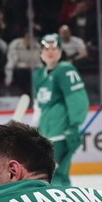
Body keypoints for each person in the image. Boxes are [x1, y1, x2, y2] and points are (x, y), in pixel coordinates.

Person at [32, 33, 88, 187]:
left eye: (54, 48)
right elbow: (39, 104)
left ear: (61, 51)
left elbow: (78, 100)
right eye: (46, 48)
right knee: (46, 174)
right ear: (41, 52)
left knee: (56, 174)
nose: (50, 51)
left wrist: (74, 126)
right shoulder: (38, 75)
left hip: (61, 131)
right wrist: (36, 127)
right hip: (45, 132)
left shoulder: (65, 70)